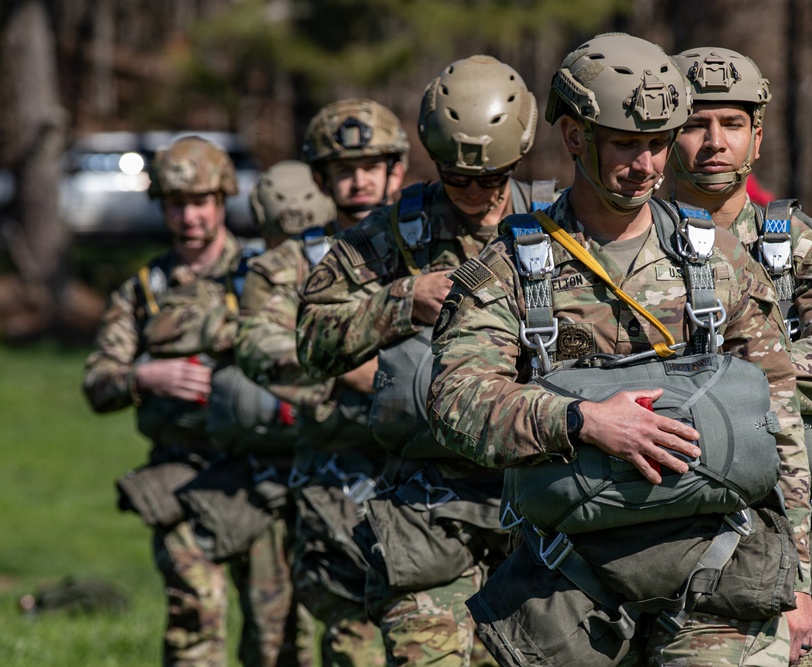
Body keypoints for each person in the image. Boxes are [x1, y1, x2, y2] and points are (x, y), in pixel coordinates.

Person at [427, 33, 812, 666]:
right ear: (576, 137)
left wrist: (797, 580)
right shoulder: (509, 269)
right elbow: (454, 402)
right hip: (570, 586)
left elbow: (781, 417)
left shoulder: (718, 260)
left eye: (659, 143)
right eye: (626, 145)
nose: (648, 166)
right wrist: (583, 421)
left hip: (715, 570)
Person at [296, 55, 557, 666]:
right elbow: (310, 342)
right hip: (424, 506)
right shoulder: (391, 235)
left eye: (490, 178)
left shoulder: (555, 224)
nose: (473, 193)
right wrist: (401, 301)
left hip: (537, 506)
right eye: (456, 177)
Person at [668, 46, 812, 662]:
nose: (713, 143)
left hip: (771, 517)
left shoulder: (803, 252)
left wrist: (731, 384)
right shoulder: (623, 250)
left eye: (731, 124)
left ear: (755, 139)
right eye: (694, 124)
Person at [83, 135, 302, 666]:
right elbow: (97, 383)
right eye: (177, 204)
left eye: (201, 201)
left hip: (261, 475)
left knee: (277, 632)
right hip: (182, 474)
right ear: (162, 207)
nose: (191, 216)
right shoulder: (144, 290)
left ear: (222, 198)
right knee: (194, 614)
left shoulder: (264, 274)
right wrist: (146, 375)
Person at [234, 155, 394, 666]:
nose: (361, 182)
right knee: (349, 634)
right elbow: (259, 345)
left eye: (374, 167)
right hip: (335, 475)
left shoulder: (426, 244)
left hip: (429, 473)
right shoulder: (298, 265)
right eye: (346, 170)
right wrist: (349, 369)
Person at [302, 98, 410, 231]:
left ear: (395, 175)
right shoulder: (296, 252)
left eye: (371, 168)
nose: (360, 183)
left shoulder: (430, 246)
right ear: (321, 182)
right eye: (344, 170)